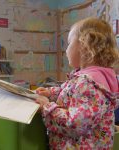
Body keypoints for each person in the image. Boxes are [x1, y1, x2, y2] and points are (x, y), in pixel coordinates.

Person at [36, 17, 119, 149]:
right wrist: (51, 92)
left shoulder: (89, 83)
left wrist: (47, 106)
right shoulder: (88, 78)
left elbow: (75, 124)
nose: (66, 50)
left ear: (84, 46)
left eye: (69, 43)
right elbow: (71, 92)